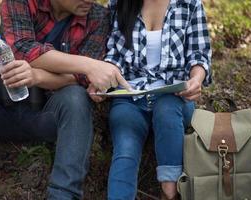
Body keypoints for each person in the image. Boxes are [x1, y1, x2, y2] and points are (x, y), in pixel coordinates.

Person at [0, 0, 130, 199]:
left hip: (52, 114)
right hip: (0, 107)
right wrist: (88, 64)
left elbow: (80, 78)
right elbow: (22, 48)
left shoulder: (98, 16)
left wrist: (37, 76)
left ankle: (63, 195)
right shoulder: (21, 2)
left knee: (75, 96)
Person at [91, 0, 212, 199]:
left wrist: (196, 79)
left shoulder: (189, 4)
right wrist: (102, 81)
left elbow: (199, 55)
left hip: (174, 95)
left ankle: (170, 190)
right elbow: (115, 56)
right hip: (131, 95)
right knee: (125, 149)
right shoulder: (119, 4)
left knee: (166, 110)